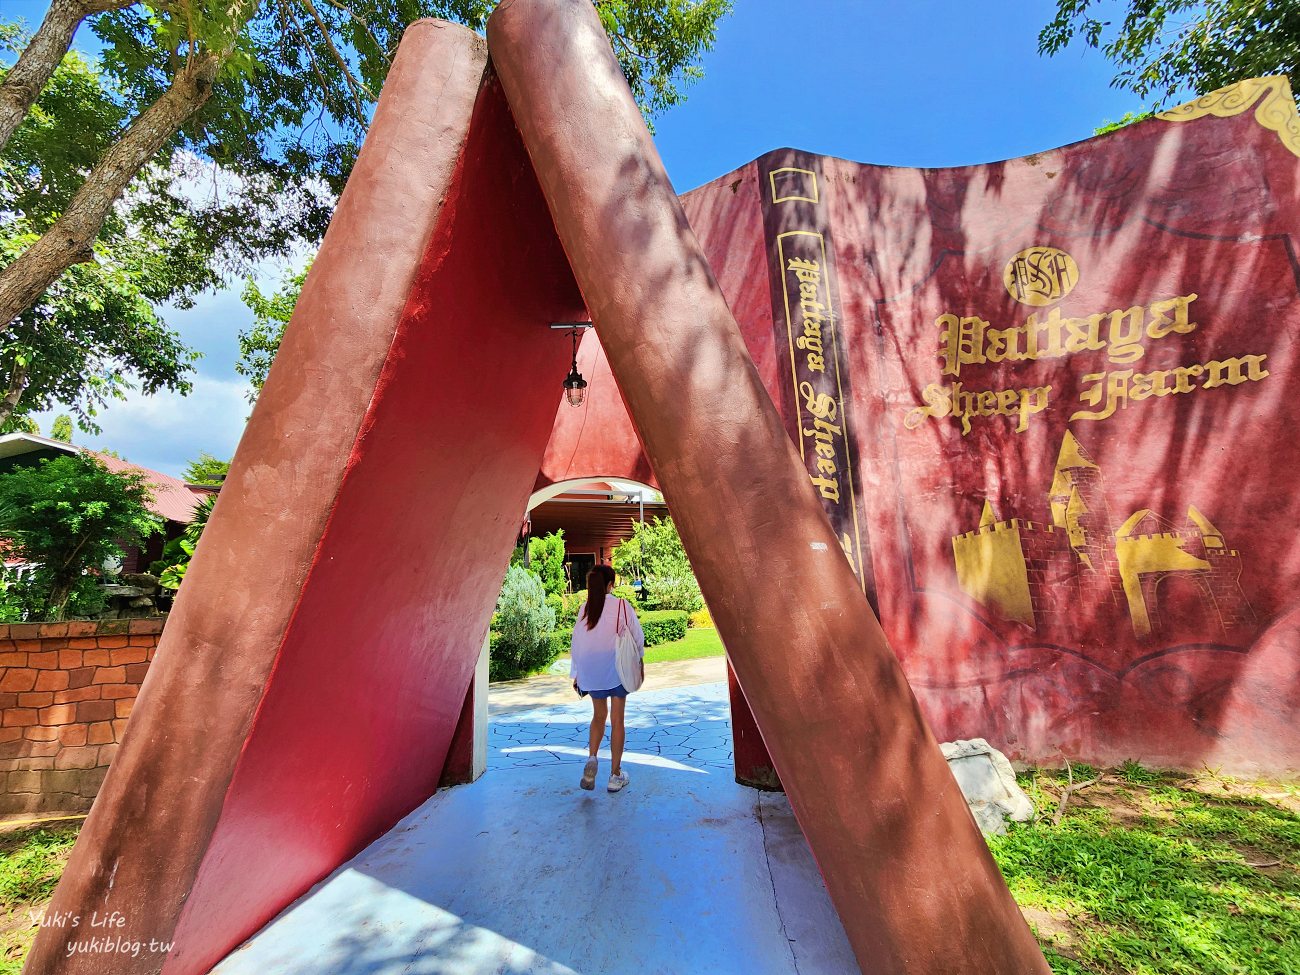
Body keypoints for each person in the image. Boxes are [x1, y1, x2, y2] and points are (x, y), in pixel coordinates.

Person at [570, 564, 644, 793]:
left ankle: (592, 758)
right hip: (617, 670)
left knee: (598, 716)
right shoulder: (622, 605)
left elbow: (577, 643)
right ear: (610, 585)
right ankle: (615, 775)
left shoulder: (584, 608)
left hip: (592, 672)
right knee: (617, 720)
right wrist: (640, 663)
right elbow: (637, 637)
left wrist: (577, 675)